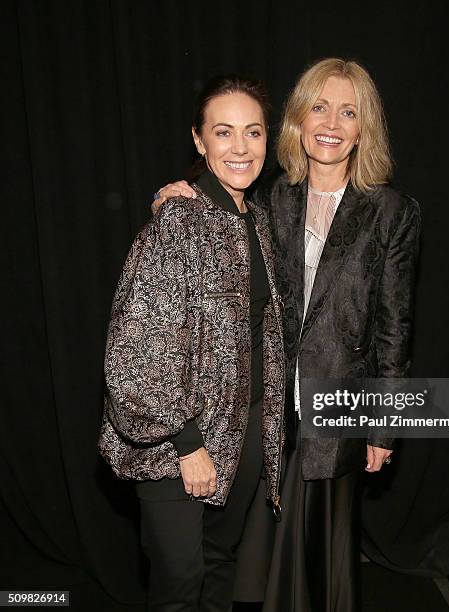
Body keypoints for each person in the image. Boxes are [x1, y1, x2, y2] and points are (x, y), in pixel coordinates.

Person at [153, 58, 421, 611]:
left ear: (364, 126)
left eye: (349, 112)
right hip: (267, 410)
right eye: (319, 107)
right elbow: (217, 221)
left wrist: (384, 428)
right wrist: (181, 192)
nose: (331, 122)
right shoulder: (270, 198)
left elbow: (395, 328)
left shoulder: (392, 212)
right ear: (299, 119)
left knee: (320, 562)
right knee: (251, 556)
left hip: (340, 408)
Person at [98, 75, 285, 612]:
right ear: (200, 142)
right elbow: (133, 354)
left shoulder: (259, 221)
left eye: (252, 132)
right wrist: (187, 443)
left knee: (220, 569)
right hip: (176, 446)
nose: (240, 147)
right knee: (179, 588)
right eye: (223, 133)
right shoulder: (178, 220)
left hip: (245, 431)